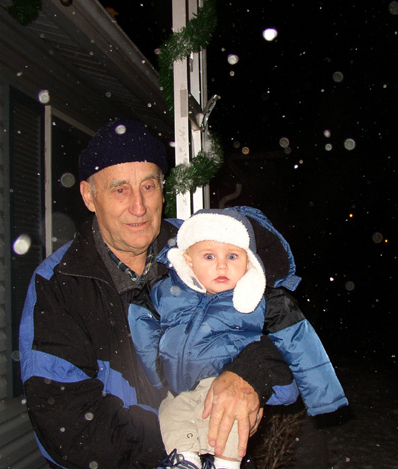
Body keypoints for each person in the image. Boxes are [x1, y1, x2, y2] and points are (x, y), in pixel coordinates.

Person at [19, 119, 296, 469]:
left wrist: (250, 372)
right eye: (120, 189)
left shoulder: (202, 249)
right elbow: (69, 429)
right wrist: (185, 443)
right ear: (89, 196)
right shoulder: (59, 284)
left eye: (148, 186)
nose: (139, 206)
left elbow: (287, 327)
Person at [129, 207, 349, 469]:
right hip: (179, 390)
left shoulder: (258, 300)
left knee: (230, 422)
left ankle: (227, 463)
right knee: (171, 414)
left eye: (232, 256)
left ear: (249, 262)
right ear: (188, 260)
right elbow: (141, 318)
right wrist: (156, 374)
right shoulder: (167, 291)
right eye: (209, 256)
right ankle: (185, 460)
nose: (221, 265)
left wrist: (324, 395)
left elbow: (299, 338)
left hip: (225, 385)